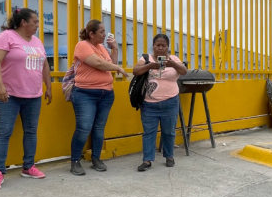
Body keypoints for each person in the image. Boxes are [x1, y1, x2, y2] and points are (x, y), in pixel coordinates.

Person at [0, 8, 52, 191]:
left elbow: (44, 65)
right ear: (24, 22)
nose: (38, 25)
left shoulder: (37, 42)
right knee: (4, 132)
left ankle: (28, 166)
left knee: (31, 132)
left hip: (33, 95)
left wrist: (48, 87)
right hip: (9, 95)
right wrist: (0, 85)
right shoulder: (7, 37)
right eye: (35, 22)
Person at [70, 20, 127, 176]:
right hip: (85, 93)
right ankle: (75, 161)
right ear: (91, 34)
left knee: (99, 128)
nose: (104, 34)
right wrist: (118, 68)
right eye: (101, 32)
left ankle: (96, 158)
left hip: (106, 94)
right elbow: (98, 64)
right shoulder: (82, 45)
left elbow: (111, 65)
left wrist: (115, 48)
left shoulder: (102, 48)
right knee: (84, 128)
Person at [133, 34, 188, 172]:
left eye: (164, 45)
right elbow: (135, 71)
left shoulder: (174, 59)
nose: (161, 48)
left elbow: (184, 71)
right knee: (149, 132)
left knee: (169, 132)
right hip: (149, 104)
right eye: (158, 45)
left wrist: (173, 64)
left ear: (168, 47)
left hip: (170, 102)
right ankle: (147, 160)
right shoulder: (146, 58)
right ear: (153, 46)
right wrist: (149, 66)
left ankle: (169, 157)